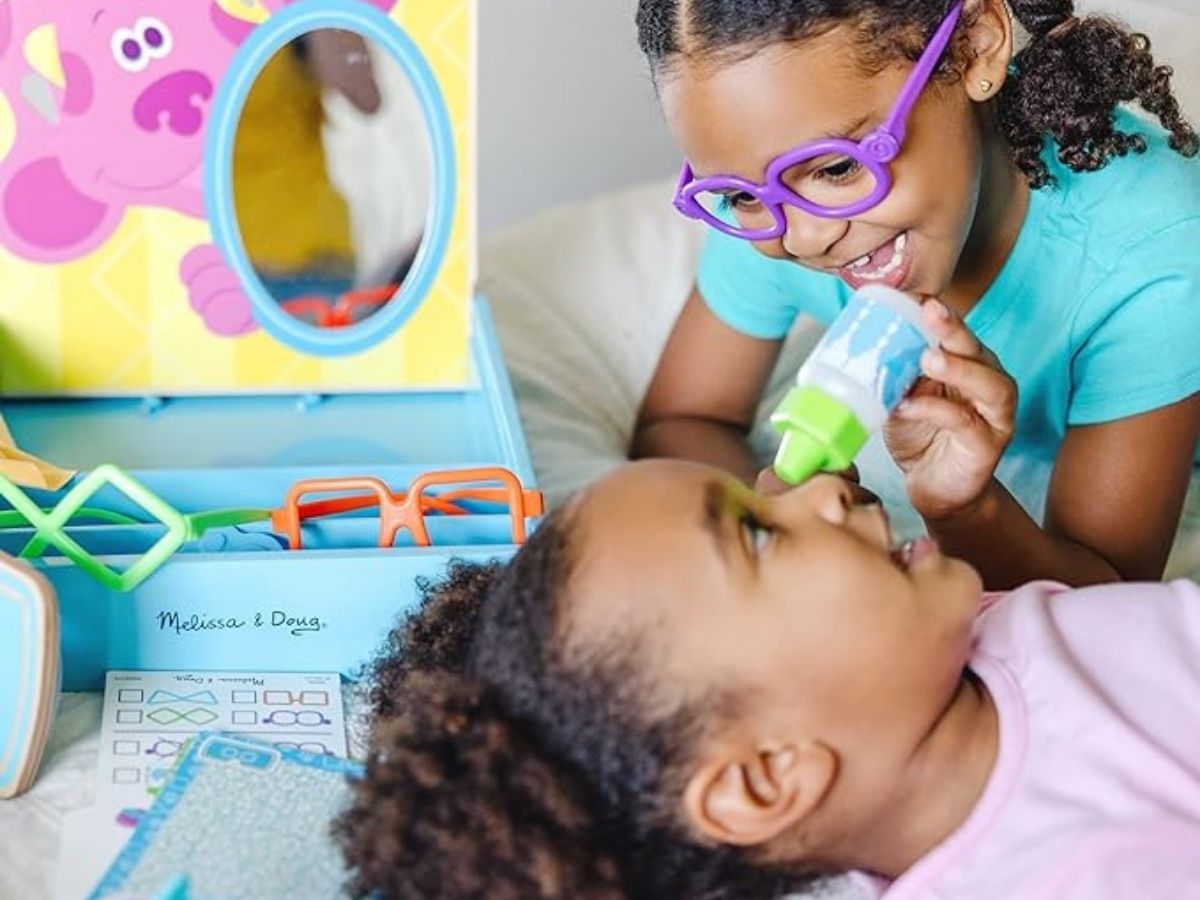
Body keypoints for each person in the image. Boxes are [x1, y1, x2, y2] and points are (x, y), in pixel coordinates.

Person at [337, 459, 1200, 899]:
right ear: (766, 776)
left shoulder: (951, 652)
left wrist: (968, 504)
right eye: (757, 535)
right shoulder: (1076, 877)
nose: (823, 488)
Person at [630, 0, 1200, 588]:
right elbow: (683, 419)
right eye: (741, 196)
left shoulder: (1152, 248)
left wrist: (964, 511)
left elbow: (1108, 595)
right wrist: (771, 521)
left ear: (975, 45)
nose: (802, 238)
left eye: (834, 169)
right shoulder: (774, 200)